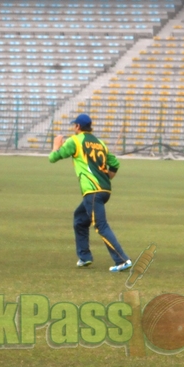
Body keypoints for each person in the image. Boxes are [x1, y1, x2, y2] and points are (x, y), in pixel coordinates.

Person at [49, 113, 132, 272]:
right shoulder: (100, 143)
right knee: (80, 219)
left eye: (74, 125)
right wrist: (105, 179)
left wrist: (56, 146)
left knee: (101, 226)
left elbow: (53, 158)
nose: (74, 128)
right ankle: (84, 257)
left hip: (92, 191)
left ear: (78, 127)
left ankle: (122, 260)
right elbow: (115, 164)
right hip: (104, 190)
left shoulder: (75, 141)